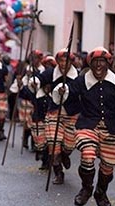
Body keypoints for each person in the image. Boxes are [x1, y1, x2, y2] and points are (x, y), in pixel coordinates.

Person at [55, 47, 115, 206]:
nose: (98, 66)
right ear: (90, 64)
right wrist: (62, 92)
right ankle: (86, 189)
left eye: (101, 62)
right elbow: (68, 93)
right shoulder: (82, 80)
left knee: (108, 167)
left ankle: (100, 193)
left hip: (111, 129)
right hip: (87, 126)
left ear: (107, 63)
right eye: (95, 62)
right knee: (87, 155)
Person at [32, 48, 80, 185]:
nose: (63, 63)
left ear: (71, 62)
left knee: (69, 146)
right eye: (61, 60)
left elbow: (79, 90)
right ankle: (58, 172)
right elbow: (40, 79)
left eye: (66, 60)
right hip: (54, 113)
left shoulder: (78, 77)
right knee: (53, 143)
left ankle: (65, 154)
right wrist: (35, 82)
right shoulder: (51, 72)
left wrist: (67, 91)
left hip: (72, 115)